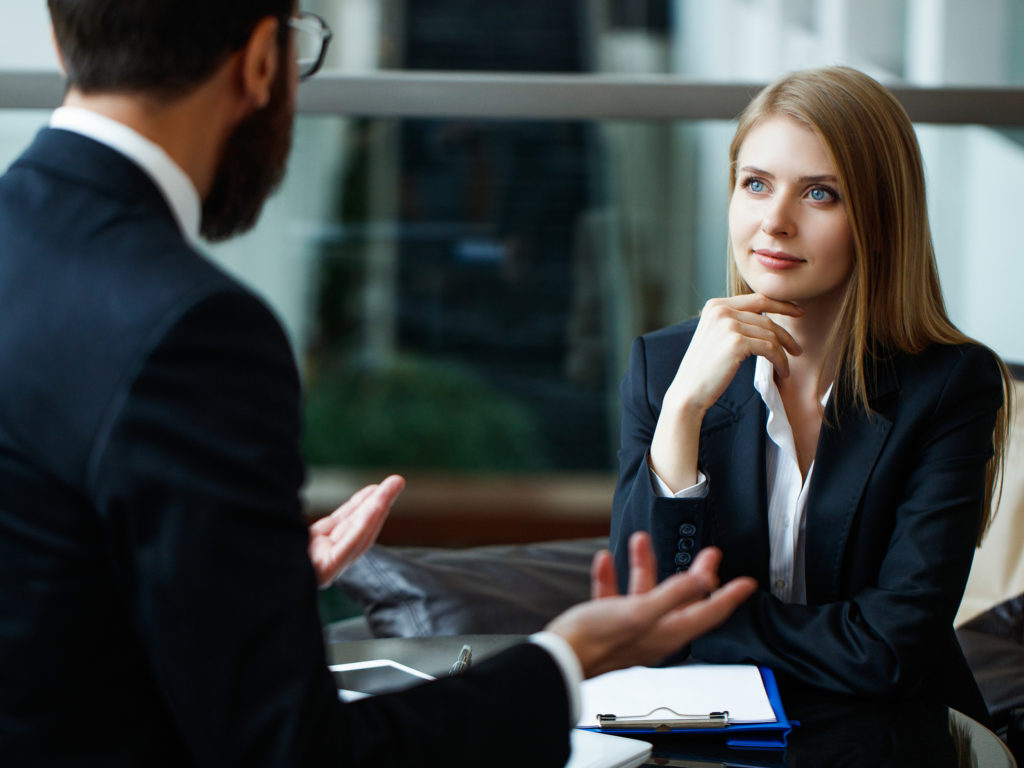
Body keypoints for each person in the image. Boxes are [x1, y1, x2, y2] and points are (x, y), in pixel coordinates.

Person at [0, 2, 758, 766]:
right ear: (262, 58)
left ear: (64, 40)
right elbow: (296, 752)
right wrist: (561, 662)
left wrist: (227, 580)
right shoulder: (195, 328)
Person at [610, 65, 1013, 725]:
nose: (775, 221)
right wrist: (682, 412)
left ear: (880, 221)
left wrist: (695, 626)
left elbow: (891, 649)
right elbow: (636, 613)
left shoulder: (949, 386)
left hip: (895, 739)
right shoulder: (664, 367)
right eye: (756, 184)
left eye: (821, 194)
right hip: (711, 739)